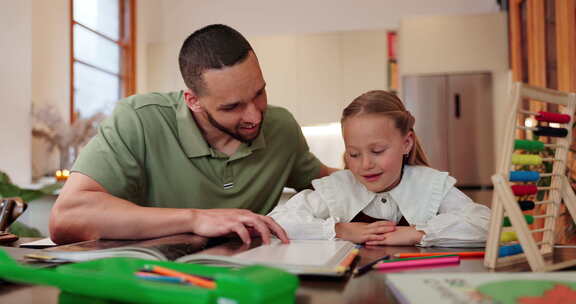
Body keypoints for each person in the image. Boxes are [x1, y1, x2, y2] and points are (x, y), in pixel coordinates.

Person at [50, 24, 336, 245]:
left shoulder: (281, 127)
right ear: (193, 100)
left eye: (259, 93)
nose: (255, 115)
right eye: (232, 106)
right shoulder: (139, 119)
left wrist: (375, 165)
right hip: (155, 282)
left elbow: (336, 188)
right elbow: (67, 217)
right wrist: (195, 219)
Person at [268, 90, 491, 247]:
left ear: (407, 143)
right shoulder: (337, 188)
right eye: (354, 154)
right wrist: (339, 230)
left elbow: (485, 223)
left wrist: (416, 233)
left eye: (377, 151)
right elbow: (277, 221)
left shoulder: (430, 185)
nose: (365, 164)